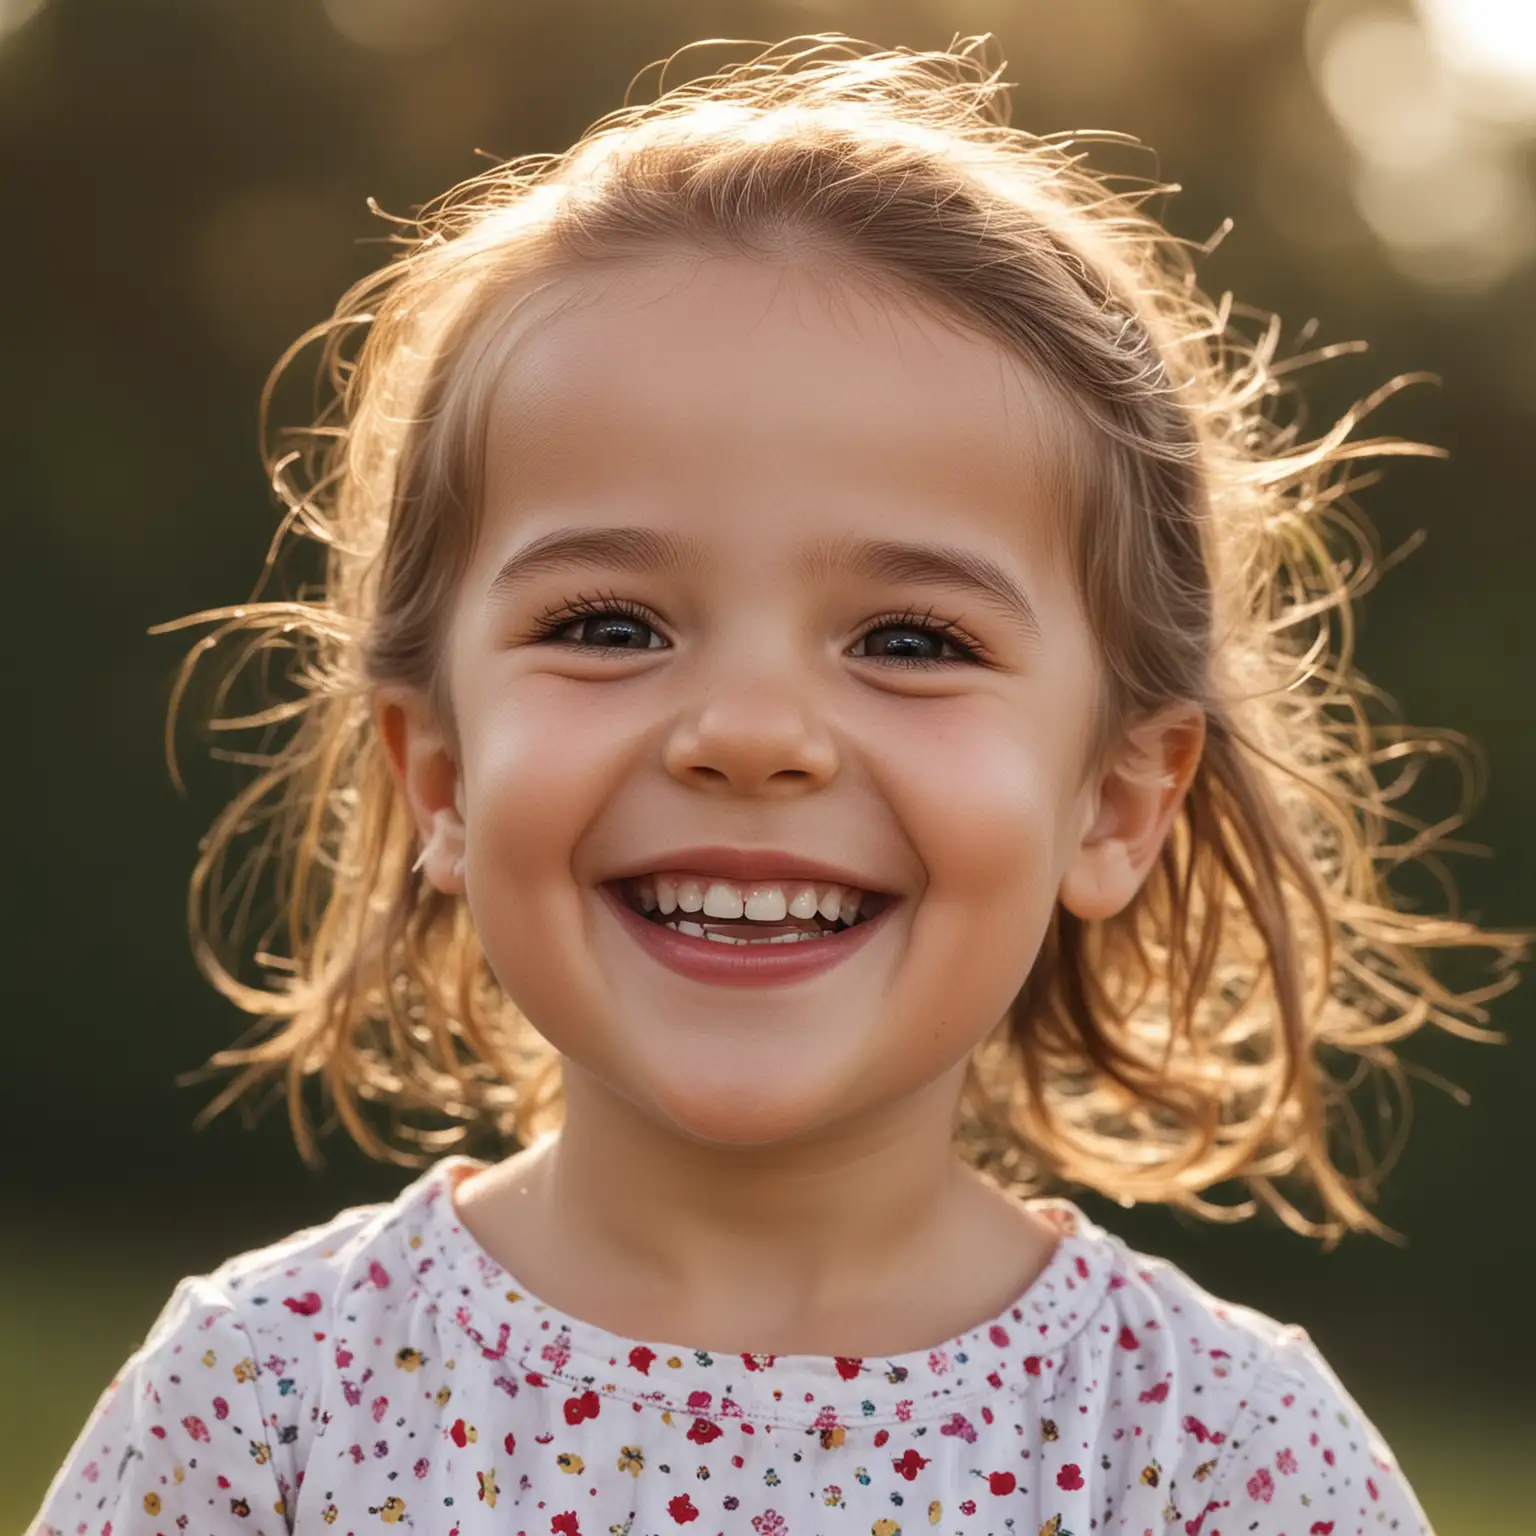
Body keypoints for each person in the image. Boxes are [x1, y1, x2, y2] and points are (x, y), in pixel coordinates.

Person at [29, 34, 1523, 1536]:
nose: (750, 733)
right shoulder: (261, 1407)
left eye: (910, 640)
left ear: (1118, 804)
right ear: (439, 773)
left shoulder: (1218, 1461)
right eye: (608, 626)